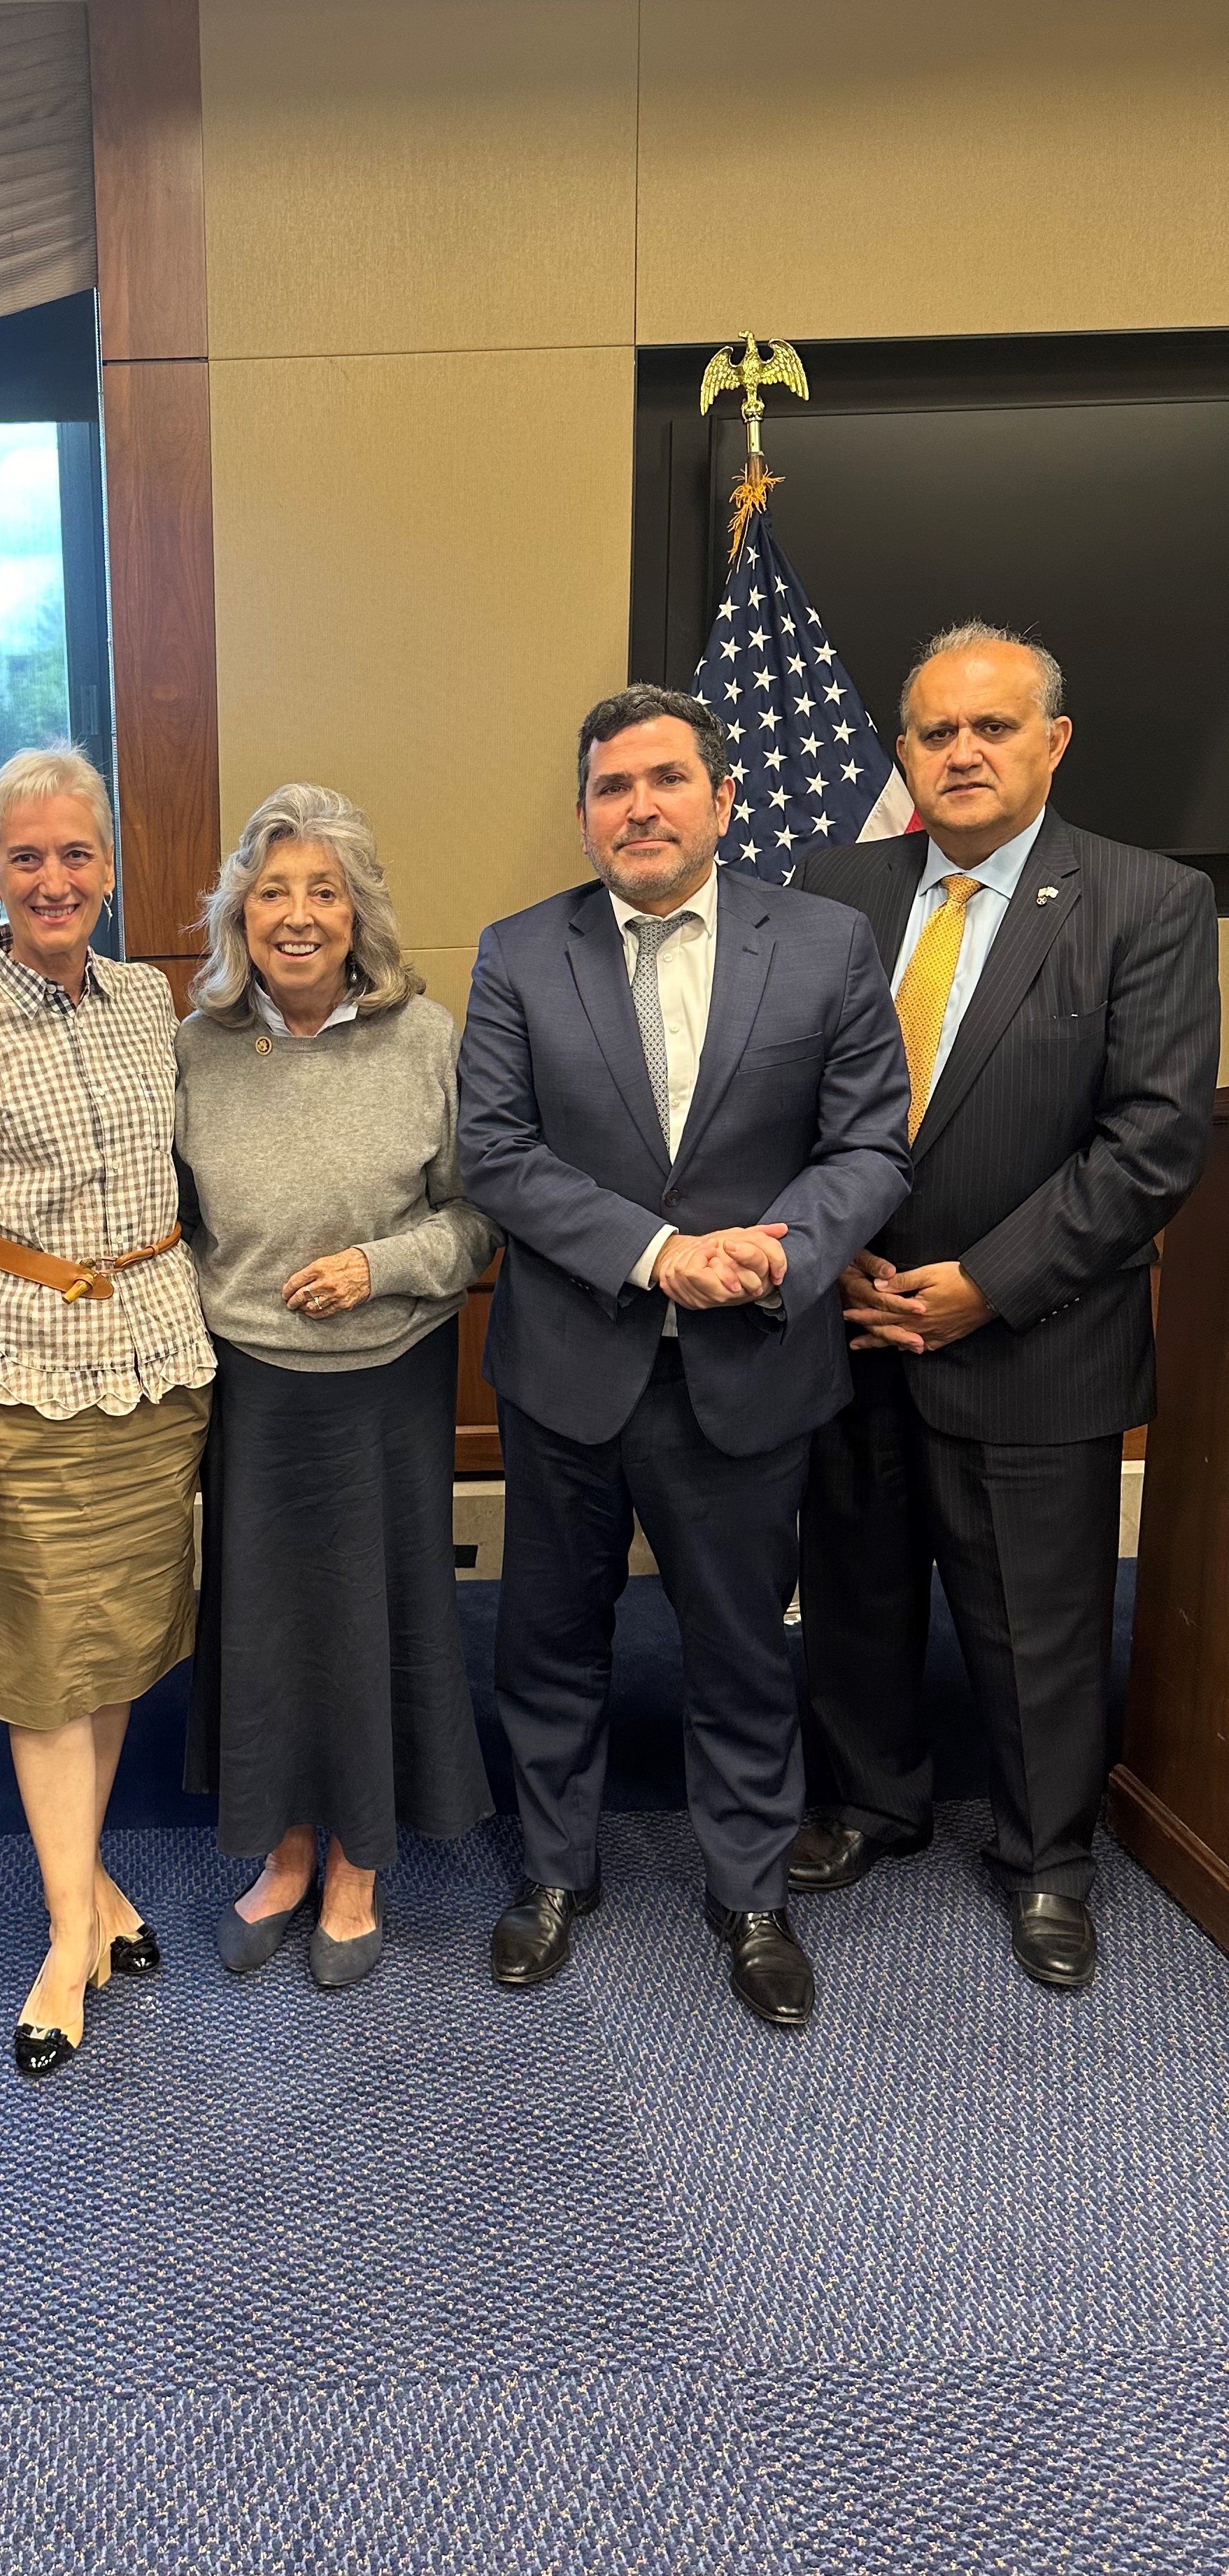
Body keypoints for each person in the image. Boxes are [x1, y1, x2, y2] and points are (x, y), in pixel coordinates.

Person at [457, 685, 910, 2032]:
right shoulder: (519, 953)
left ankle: (750, 1893)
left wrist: (779, 1252)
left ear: (723, 800)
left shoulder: (825, 943)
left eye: (665, 780)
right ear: (586, 815)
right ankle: (554, 1874)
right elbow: (493, 1151)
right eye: (610, 787)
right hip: (569, 1371)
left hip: (753, 1363)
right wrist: (660, 1254)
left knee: (742, 1649)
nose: (638, 806)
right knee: (548, 1639)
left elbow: (871, 1148)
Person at [791, 624, 1216, 1990]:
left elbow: (1153, 1141)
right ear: (902, 751)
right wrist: (831, 1241)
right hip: (853, 1325)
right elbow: (780, 1092)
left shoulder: (1145, 905)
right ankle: (872, 1801)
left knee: (1039, 1617)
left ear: (1055, 743)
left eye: (992, 728)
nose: (961, 754)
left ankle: (1048, 1859)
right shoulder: (835, 889)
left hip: (1032, 1339)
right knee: (856, 1589)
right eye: (935, 732)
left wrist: (985, 1286)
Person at [0, 747, 213, 2078]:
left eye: (75, 855)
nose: (53, 878)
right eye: (26, 856)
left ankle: (93, 1890)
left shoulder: (152, 1001)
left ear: (108, 868)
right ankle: (68, 1922)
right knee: (42, 1660)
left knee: (120, 1639)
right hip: (17, 1381)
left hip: (156, 1365)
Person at [176, 785, 494, 1987]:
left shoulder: (429, 1038)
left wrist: (381, 1265)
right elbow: (172, 1222)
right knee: (265, 1629)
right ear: (239, 916)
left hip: (390, 1387)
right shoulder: (195, 1048)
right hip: (253, 1392)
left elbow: (479, 1218)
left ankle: (362, 1860)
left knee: (376, 1623)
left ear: (360, 914)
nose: (299, 915)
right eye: (273, 892)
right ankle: (287, 1854)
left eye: (325, 891)